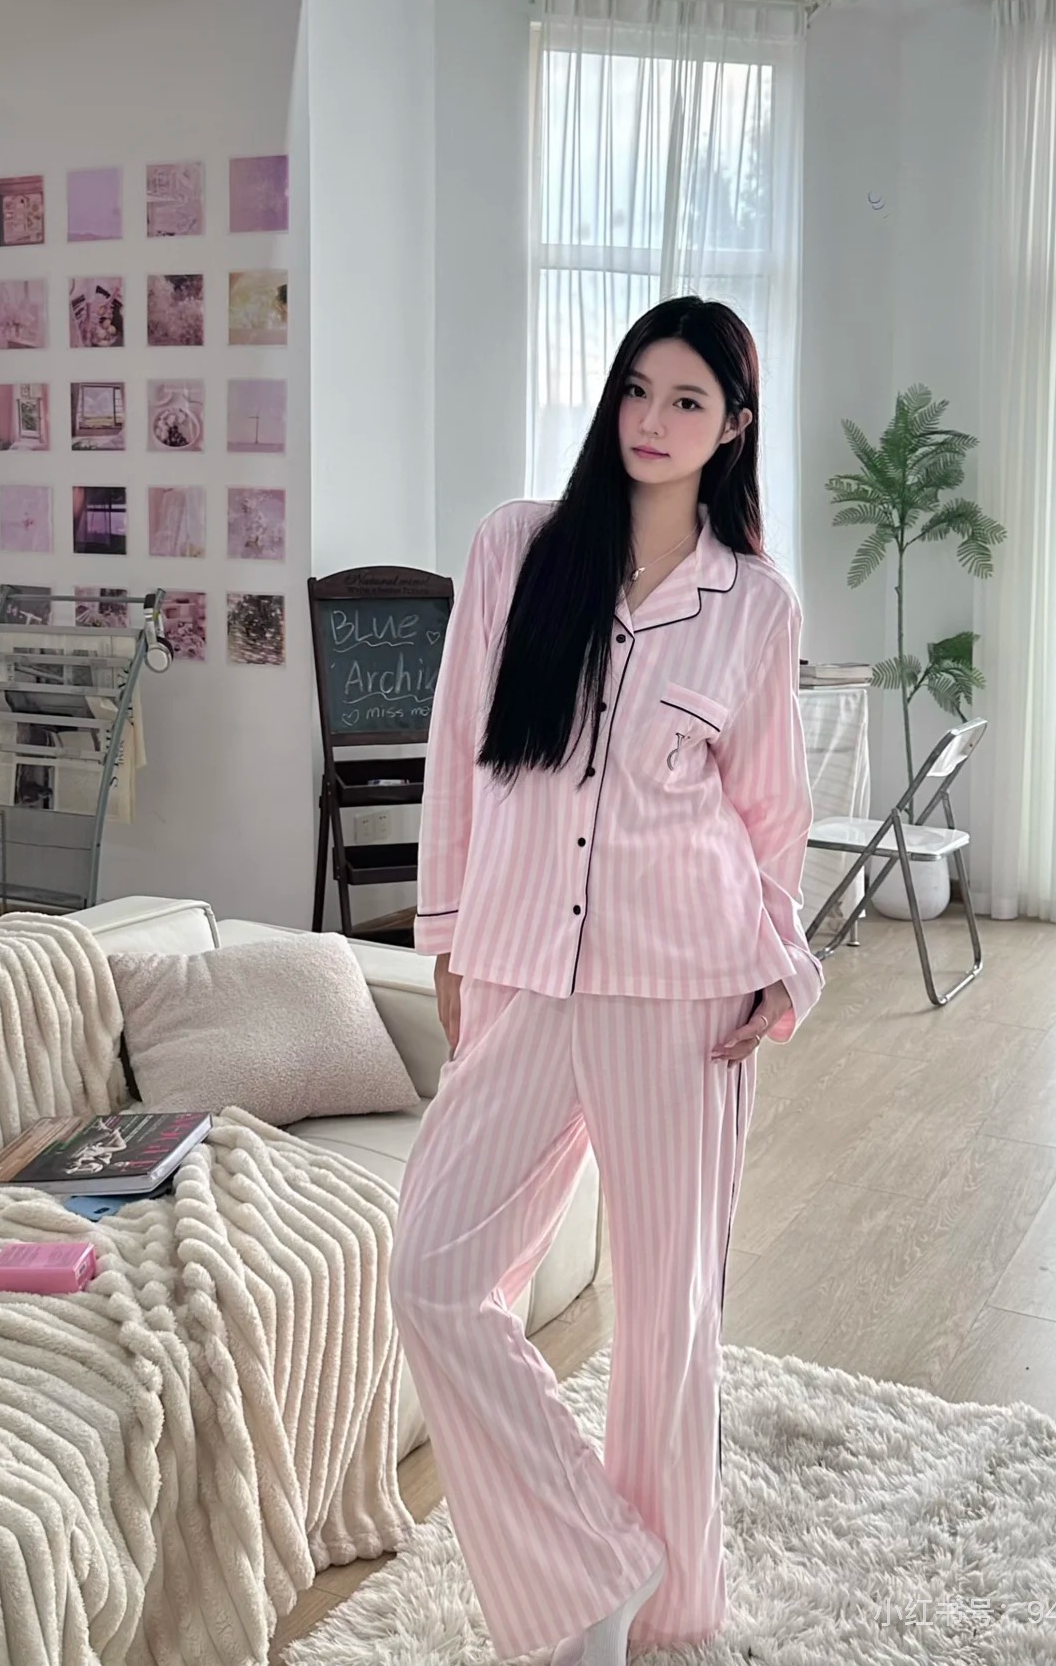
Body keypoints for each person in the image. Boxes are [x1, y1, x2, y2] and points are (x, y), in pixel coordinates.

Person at [389, 296, 825, 1666]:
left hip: (687, 987)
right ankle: (593, 1571)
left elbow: (771, 814)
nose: (651, 419)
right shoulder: (516, 550)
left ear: (732, 427)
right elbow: (460, 753)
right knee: (435, 1273)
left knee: (668, 1318)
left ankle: (667, 1619)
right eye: (637, 389)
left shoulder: (754, 603)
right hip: (522, 971)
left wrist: (783, 964)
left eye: (686, 400)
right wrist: (450, 936)